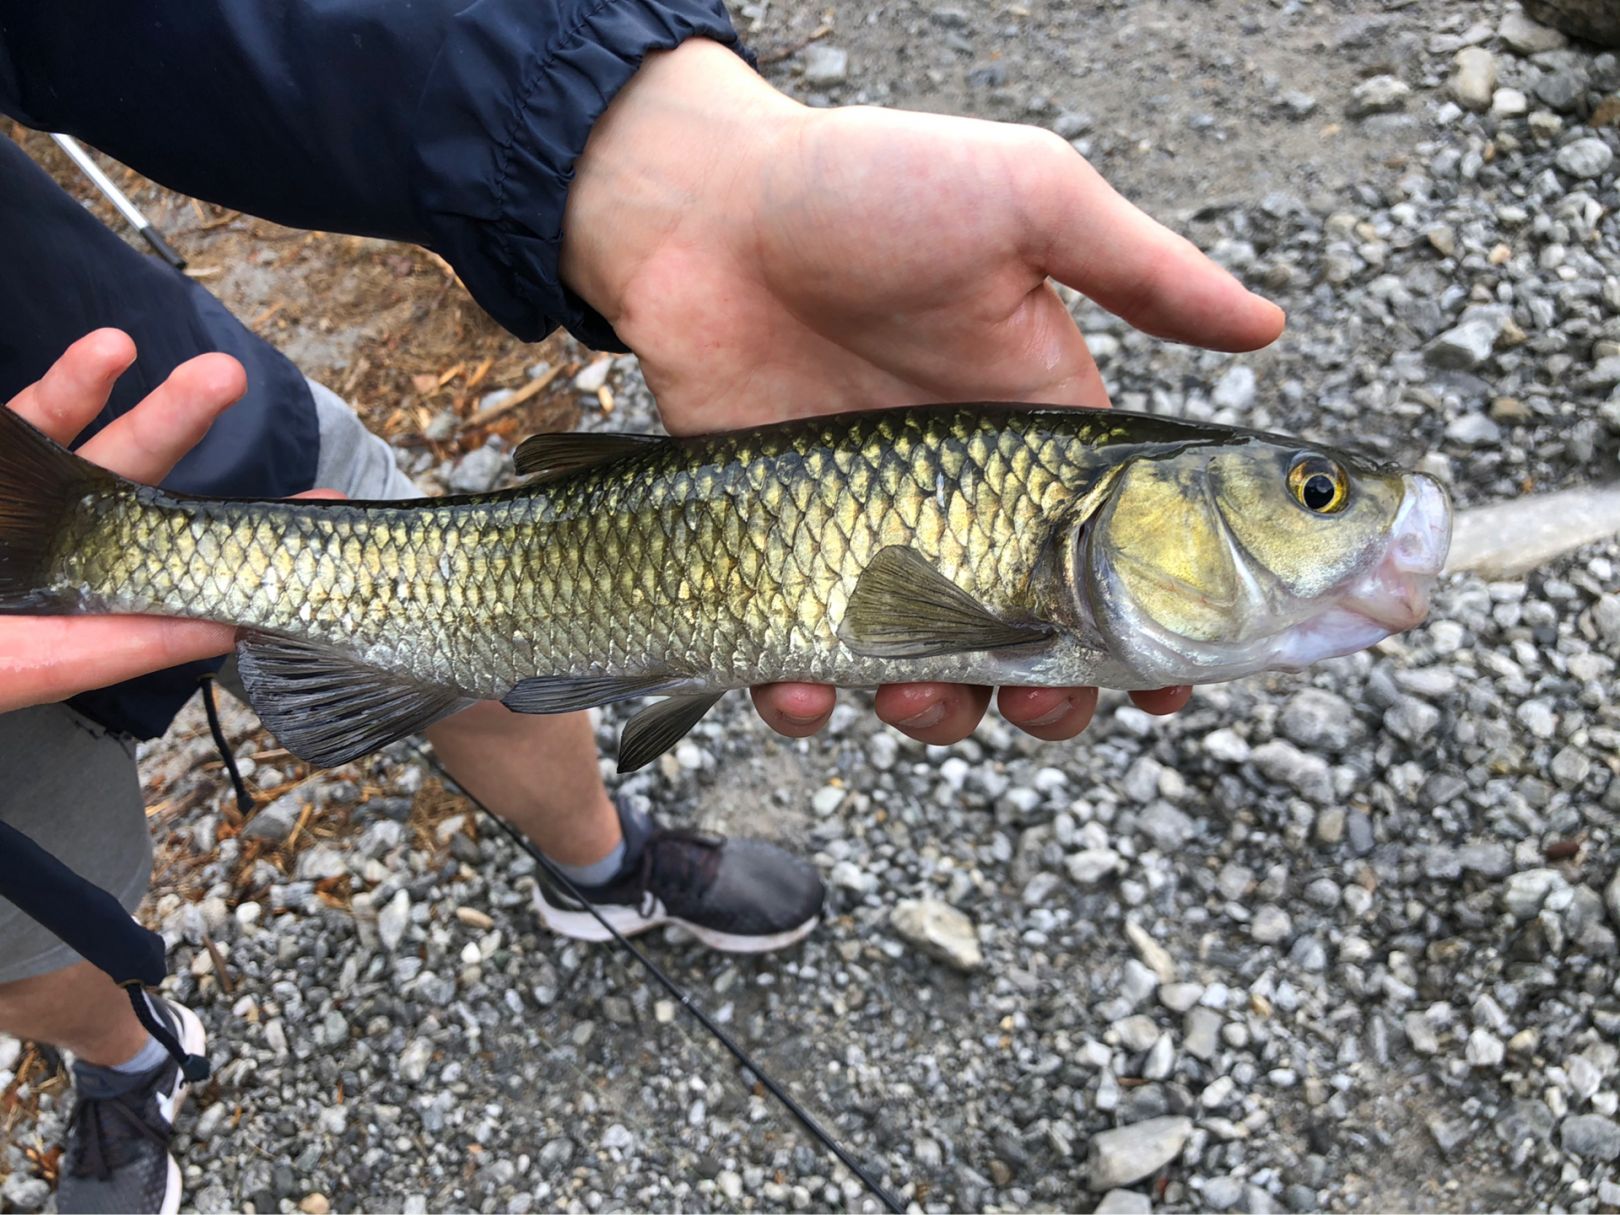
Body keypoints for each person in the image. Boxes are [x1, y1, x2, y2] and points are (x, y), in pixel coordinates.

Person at [0, 5, 1284, 1213]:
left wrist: (645, 143)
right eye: (1313, 494)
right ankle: (125, 1059)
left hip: (92, 375)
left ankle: (598, 863)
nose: (1320, 516)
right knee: (21, 919)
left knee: (484, 663)